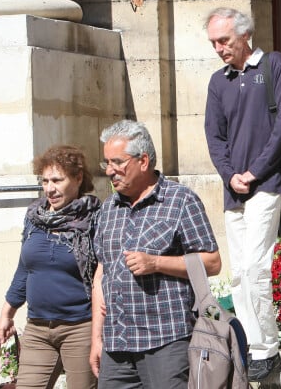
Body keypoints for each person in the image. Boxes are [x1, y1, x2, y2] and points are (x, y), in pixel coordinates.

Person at [90, 120, 221, 388]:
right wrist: (96, 338)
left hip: (165, 341)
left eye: (117, 162)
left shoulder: (181, 200)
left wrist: (157, 263)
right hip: (117, 344)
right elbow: (100, 275)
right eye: (107, 163)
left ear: (144, 160)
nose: (110, 171)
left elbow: (212, 262)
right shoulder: (108, 209)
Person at [203, 7, 281, 381]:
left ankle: (267, 349)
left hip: (267, 184)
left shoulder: (272, 65)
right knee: (239, 272)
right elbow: (215, 136)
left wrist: (255, 171)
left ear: (244, 35)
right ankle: (252, 347)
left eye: (224, 40)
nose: (219, 48)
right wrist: (231, 176)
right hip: (235, 190)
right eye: (213, 42)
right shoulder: (217, 81)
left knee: (257, 266)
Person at [0, 145, 100, 388]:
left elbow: (102, 276)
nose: (49, 188)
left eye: (57, 180)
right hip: (38, 328)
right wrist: (7, 313)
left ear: (78, 178)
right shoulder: (35, 217)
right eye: (44, 181)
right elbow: (25, 269)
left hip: (80, 327)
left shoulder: (95, 218)